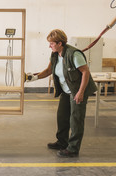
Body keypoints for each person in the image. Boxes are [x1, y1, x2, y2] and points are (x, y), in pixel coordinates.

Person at [26, 29, 97, 157]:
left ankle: (73, 148)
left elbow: (85, 72)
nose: (49, 46)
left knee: (76, 119)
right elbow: (48, 70)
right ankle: (62, 142)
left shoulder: (74, 54)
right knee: (62, 117)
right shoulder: (54, 54)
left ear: (60, 43)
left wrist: (80, 92)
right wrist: (33, 78)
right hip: (66, 90)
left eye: (51, 43)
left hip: (77, 90)